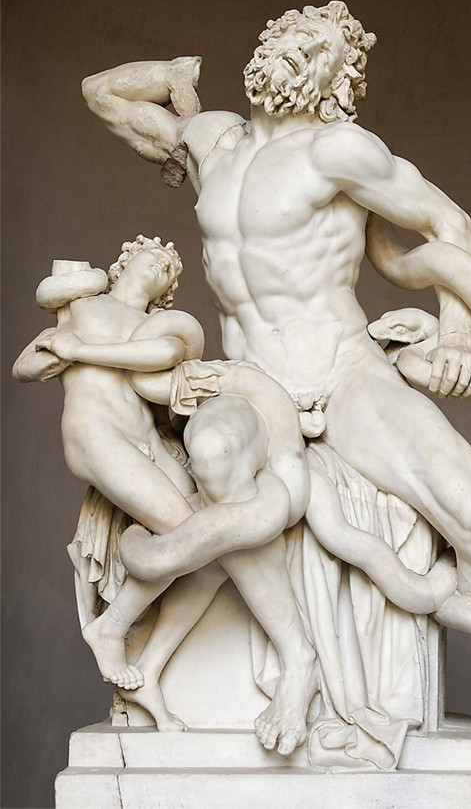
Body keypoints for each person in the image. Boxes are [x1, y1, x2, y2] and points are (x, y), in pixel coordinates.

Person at [81, 1, 471, 800]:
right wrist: (172, 78)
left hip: (346, 374)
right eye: (289, 36)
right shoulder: (212, 141)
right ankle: (294, 658)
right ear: (263, 51)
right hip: (254, 383)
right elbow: (103, 93)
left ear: (340, 79)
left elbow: (448, 221)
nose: (297, 51)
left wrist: (456, 338)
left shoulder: (340, 149)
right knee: (214, 456)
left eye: (320, 47)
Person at [13, 238, 318, 754]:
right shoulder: (83, 305)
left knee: (212, 546)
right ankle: (110, 629)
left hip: (148, 443)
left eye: (169, 269)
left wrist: (80, 352)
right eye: (150, 256)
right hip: (96, 434)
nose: (160, 264)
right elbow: (24, 367)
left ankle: (150, 668)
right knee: (195, 534)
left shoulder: (161, 328)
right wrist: (52, 351)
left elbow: (167, 363)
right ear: (122, 262)